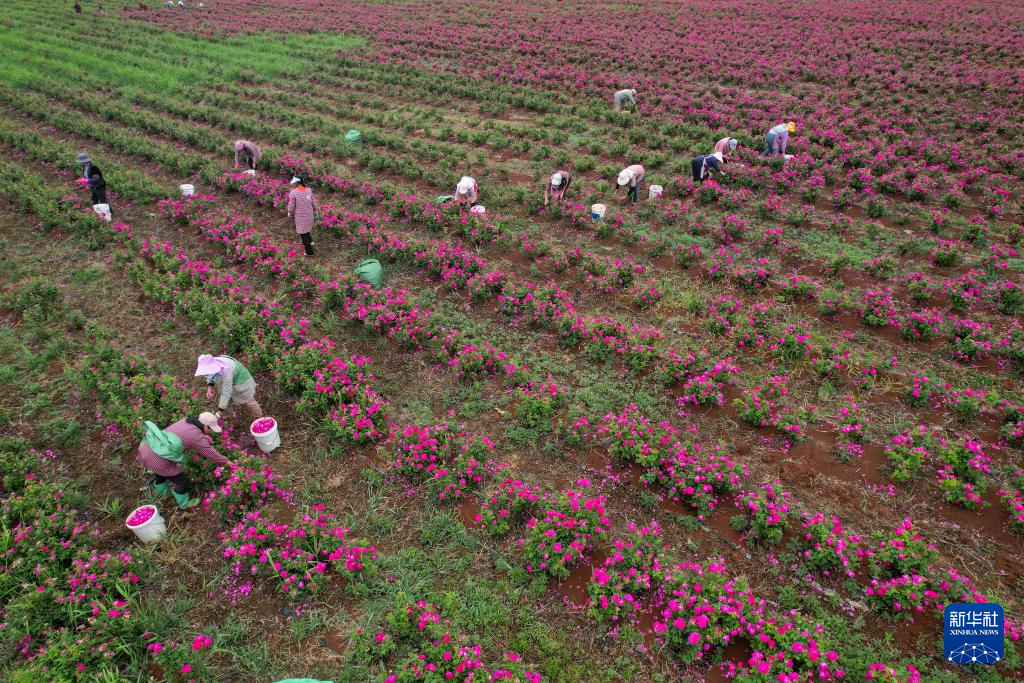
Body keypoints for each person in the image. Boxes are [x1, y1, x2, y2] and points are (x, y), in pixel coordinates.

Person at [137, 412, 229, 510]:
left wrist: (201, 436)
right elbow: (212, 455)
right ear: (205, 426)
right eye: (210, 429)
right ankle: (184, 504)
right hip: (156, 457)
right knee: (182, 481)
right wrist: (229, 463)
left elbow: (182, 436)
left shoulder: (185, 421)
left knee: (160, 472)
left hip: (147, 447)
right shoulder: (195, 437)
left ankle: (164, 494)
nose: (210, 432)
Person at [195, 353, 263, 418]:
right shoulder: (211, 363)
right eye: (205, 373)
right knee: (225, 401)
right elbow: (210, 376)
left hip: (241, 381)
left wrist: (218, 413)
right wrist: (210, 388)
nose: (206, 375)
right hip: (228, 380)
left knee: (249, 401)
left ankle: (259, 416)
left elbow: (226, 392)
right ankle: (228, 416)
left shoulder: (226, 370)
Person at [287, 176, 319, 256]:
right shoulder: (308, 190)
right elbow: (313, 201)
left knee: (302, 233)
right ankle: (311, 242)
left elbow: (291, 205)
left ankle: (309, 252)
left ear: (297, 183)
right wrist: (316, 210)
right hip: (309, 214)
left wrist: (289, 212)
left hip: (301, 216)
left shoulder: (294, 192)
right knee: (306, 228)